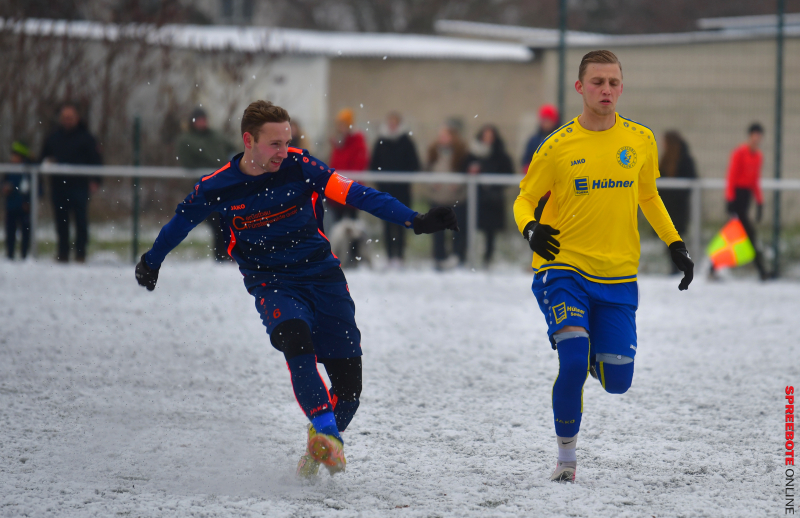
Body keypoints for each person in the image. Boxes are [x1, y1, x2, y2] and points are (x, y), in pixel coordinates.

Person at [134, 100, 458, 478]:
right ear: (248, 140)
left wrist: (414, 220)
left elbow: (356, 194)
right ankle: (326, 432)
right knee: (296, 340)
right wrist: (152, 260)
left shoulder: (301, 167)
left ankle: (319, 442)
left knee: (350, 393)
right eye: (274, 144)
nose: (282, 152)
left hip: (324, 278)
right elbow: (180, 222)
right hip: (272, 282)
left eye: (287, 142)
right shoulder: (217, 186)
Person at [513, 50, 694, 482]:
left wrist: (675, 242)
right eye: (597, 82)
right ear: (580, 88)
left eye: (613, 82)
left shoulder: (641, 140)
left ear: (622, 87)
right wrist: (531, 229)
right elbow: (523, 198)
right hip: (563, 269)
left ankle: (596, 353)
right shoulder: (556, 146)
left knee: (617, 383)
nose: (606, 90)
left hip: (618, 276)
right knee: (573, 362)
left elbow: (648, 196)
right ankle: (566, 461)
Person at [40, 103, 102, 263]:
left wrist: (96, 180)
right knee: (61, 221)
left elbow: (96, 161)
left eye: (70, 117)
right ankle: (63, 253)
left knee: (81, 221)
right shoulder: (53, 137)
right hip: (59, 187)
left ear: (77, 118)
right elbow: (43, 158)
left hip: (79, 186)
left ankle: (81, 253)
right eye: (64, 117)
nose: (67, 120)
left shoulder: (86, 138)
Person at [176, 107, 237, 262]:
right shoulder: (186, 140)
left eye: (204, 119)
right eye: (199, 120)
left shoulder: (216, 136)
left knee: (228, 220)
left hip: (225, 186)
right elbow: (188, 163)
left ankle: (227, 255)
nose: (202, 123)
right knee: (216, 222)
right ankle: (221, 255)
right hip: (205, 188)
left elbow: (233, 150)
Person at [369, 111, 421, 266]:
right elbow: (374, 165)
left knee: (403, 222)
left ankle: (400, 254)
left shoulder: (406, 142)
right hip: (385, 191)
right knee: (386, 224)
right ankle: (389, 254)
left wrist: (403, 179)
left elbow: (414, 164)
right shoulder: (380, 141)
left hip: (402, 191)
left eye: (395, 122)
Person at [721, 123, 768, 279]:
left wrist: (760, 201)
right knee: (748, 235)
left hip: (745, 197)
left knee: (734, 235)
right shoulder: (740, 153)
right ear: (750, 136)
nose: (757, 139)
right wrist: (730, 199)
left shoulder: (758, 156)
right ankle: (761, 270)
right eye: (755, 135)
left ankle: (713, 267)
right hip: (737, 198)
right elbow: (731, 177)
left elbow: (754, 181)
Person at [467, 124, 514, 266]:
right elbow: (465, 167)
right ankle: (470, 257)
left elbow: (508, 174)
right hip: (477, 198)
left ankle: (488, 259)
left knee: (490, 232)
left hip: (494, 200)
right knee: (471, 227)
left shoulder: (501, 155)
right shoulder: (473, 154)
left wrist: (494, 186)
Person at [426, 120, 469, 269]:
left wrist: (457, 184)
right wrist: (432, 183)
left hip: (456, 198)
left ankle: (458, 257)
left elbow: (466, 171)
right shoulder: (433, 151)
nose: (442, 138)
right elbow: (426, 171)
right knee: (437, 231)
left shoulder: (461, 153)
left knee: (457, 230)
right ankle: (439, 258)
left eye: (445, 135)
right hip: (438, 198)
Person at [659, 131, 697, 274]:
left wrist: (676, 196)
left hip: (678, 208)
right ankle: (674, 267)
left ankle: (677, 267)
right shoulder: (665, 159)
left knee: (676, 237)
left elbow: (691, 180)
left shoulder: (684, 160)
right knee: (669, 239)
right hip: (667, 207)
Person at [328, 108, 369, 222]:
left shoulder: (357, 140)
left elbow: (359, 164)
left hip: (351, 188)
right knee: (337, 222)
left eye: (343, 124)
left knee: (352, 224)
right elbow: (335, 163)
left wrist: (348, 181)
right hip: (337, 188)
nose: (341, 127)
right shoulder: (338, 142)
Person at [3, 141, 34, 260]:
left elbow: (34, 189)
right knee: (10, 232)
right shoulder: (9, 170)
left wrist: (28, 202)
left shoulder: (28, 171)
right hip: (11, 207)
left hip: (24, 207)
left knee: (25, 232)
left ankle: (24, 255)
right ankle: (10, 254)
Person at [521, 104, 561, 172]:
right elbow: (526, 160)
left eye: (548, 119)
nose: (545, 123)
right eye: (543, 120)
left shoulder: (561, 138)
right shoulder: (534, 140)